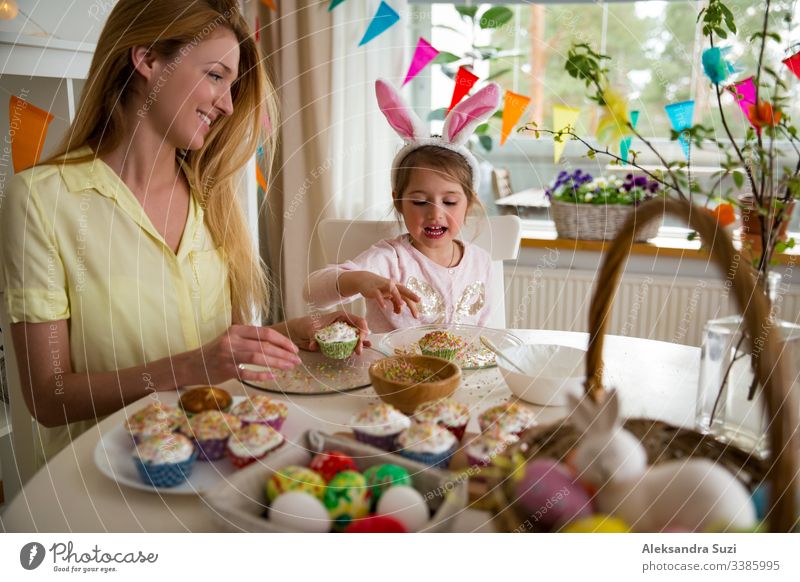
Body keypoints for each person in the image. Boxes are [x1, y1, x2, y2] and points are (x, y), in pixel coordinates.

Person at [0, 0, 368, 463]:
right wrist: (192, 367)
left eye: (231, 85)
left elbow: (219, 353)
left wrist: (291, 333)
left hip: (217, 458)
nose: (228, 104)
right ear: (147, 59)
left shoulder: (212, 199)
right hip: (106, 480)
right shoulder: (41, 199)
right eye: (216, 75)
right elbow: (49, 398)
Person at [304, 79, 501, 333]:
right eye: (419, 202)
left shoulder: (481, 262)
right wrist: (359, 279)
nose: (435, 214)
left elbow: (483, 332)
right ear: (398, 201)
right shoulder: (390, 260)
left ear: (469, 202)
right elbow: (311, 292)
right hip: (394, 371)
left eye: (450, 202)